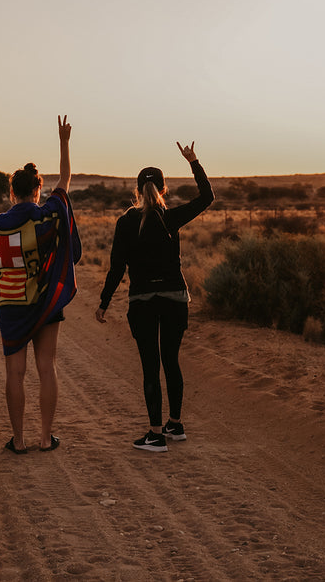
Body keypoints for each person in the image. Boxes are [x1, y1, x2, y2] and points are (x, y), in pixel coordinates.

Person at [95, 142, 214, 452]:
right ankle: (175, 425)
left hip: (143, 301)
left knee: (151, 367)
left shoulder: (125, 222)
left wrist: (104, 302)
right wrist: (194, 161)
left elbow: (117, 267)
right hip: (176, 298)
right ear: (164, 189)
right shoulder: (170, 217)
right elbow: (208, 197)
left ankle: (155, 435)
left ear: (138, 191)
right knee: (171, 361)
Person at [0, 116, 79, 454]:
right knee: (46, 367)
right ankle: (44, 437)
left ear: (11, 192)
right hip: (44, 303)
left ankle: (19, 440)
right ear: (38, 189)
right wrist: (64, 141)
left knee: (15, 372)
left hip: (11, 304)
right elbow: (66, 180)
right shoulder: (48, 215)